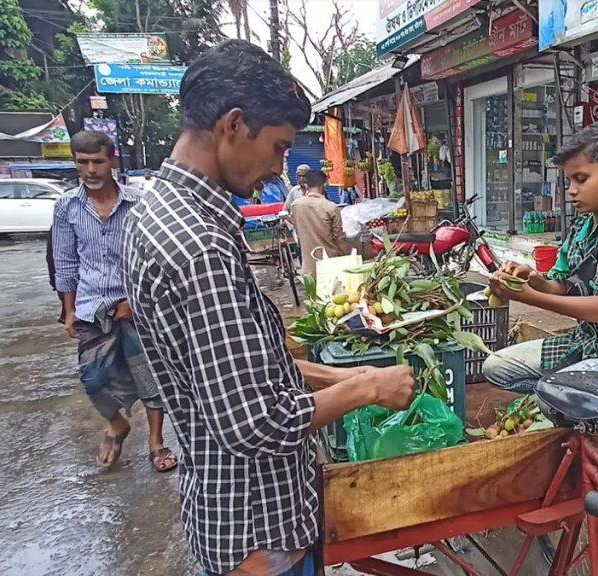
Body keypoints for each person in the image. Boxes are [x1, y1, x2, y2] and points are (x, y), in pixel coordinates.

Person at [122, 40, 415, 576]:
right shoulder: (200, 246)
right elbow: (255, 423)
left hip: (230, 515)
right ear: (233, 125)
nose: (282, 167)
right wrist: (368, 388)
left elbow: (224, 371)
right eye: (280, 147)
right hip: (259, 528)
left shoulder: (157, 212)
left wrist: (327, 373)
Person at [482, 121, 598, 397]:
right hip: (587, 342)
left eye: (580, 179)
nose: (570, 190)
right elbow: (561, 285)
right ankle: (578, 404)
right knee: (496, 367)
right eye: (568, 180)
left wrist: (528, 297)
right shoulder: (582, 228)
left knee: (555, 395)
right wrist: (533, 280)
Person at [52, 130, 177, 473]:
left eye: (97, 162)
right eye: (83, 163)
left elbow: (154, 256)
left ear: (112, 161)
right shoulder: (67, 207)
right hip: (92, 306)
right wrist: (68, 310)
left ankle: (156, 442)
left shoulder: (139, 202)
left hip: (137, 306)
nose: (90, 170)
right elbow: (65, 261)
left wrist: (138, 301)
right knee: (92, 378)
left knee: (150, 376)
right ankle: (118, 423)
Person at [289, 168, 352, 279]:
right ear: (324, 184)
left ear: (306, 185)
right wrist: (349, 258)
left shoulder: (296, 205)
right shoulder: (330, 207)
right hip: (331, 264)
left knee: (313, 295)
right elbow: (339, 238)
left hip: (309, 267)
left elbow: (297, 229)